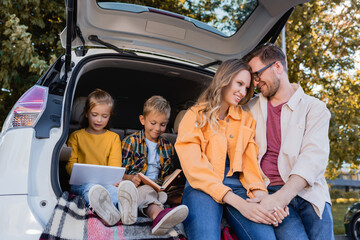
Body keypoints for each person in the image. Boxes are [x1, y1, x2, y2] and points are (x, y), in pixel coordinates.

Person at [175, 59, 287, 240]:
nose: (242, 93)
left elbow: (250, 167)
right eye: (239, 84)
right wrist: (241, 205)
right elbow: (195, 169)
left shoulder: (246, 119)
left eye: (246, 88)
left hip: (239, 187)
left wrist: (264, 198)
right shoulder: (194, 116)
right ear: (224, 79)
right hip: (202, 188)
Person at [243, 43, 334, 240]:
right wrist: (268, 198)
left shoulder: (314, 108)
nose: (255, 82)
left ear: (277, 67)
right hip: (270, 192)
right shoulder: (249, 109)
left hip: (309, 192)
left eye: (257, 75)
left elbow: (313, 158)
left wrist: (280, 198)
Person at [66, 89, 138, 226]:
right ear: (86, 113)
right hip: (82, 183)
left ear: (109, 116)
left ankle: (123, 209)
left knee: (113, 191)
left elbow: (114, 166)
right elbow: (70, 165)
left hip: (106, 183)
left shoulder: (113, 138)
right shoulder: (76, 136)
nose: (99, 120)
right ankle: (108, 209)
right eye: (95, 114)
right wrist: (74, 174)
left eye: (104, 116)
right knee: (91, 189)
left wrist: (116, 180)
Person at [121, 95, 188, 236]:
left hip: (160, 187)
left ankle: (175, 209)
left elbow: (166, 173)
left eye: (162, 125)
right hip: (139, 186)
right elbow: (120, 172)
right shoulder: (131, 141)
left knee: (185, 193)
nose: (157, 128)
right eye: (153, 123)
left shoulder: (168, 146)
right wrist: (130, 178)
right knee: (147, 193)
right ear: (142, 120)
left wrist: (172, 177)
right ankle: (158, 216)